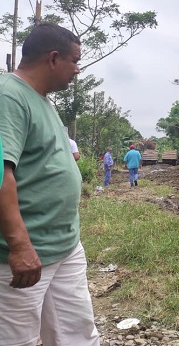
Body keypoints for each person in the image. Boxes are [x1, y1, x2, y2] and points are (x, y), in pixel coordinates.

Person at [0, 23, 100, 345]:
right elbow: (2, 175)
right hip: (24, 254)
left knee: (77, 334)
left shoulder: (42, 100)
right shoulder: (9, 97)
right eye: (75, 60)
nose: (78, 70)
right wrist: (20, 246)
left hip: (64, 246)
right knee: (18, 340)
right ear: (53, 59)